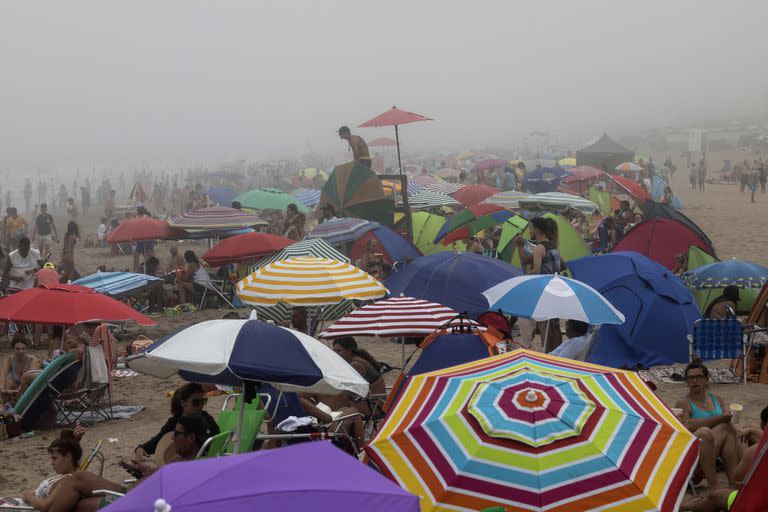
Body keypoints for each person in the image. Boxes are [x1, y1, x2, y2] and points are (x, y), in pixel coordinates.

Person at [675, 359, 739, 489]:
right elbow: (688, 426)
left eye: (698, 377)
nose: (694, 381)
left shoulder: (717, 399)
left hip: (716, 452)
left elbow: (728, 422)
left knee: (733, 431)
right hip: (695, 457)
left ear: (706, 379)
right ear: (686, 382)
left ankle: (735, 485)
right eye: (690, 378)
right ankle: (721, 486)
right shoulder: (683, 403)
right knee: (712, 430)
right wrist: (720, 418)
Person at [514, 217, 566, 352]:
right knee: (549, 323)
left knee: (524, 313)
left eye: (531, 228)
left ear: (536, 229)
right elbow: (563, 264)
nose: (529, 231)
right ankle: (550, 351)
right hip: (554, 288)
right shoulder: (553, 247)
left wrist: (524, 279)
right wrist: (520, 247)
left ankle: (527, 345)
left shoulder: (538, 248)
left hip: (542, 289)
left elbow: (536, 270)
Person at [134, 383, 219, 461]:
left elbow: (217, 438)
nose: (201, 405)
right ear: (184, 403)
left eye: (203, 401)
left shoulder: (206, 418)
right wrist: (141, 448)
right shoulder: (176, 422)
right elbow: (158, 441)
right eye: (196, 402)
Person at [1, 335, 41, 400]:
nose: (20, 351)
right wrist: (2, 388)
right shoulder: (9, 360)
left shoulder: (32, 360)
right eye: (17, 349)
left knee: (24, 378)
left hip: (29, 388)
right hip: (15, 387)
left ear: (26, 349)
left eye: (23, 348)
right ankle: (6, 405)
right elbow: (2, 375)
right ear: (12, 349)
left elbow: (30, 379)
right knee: (8, 381)